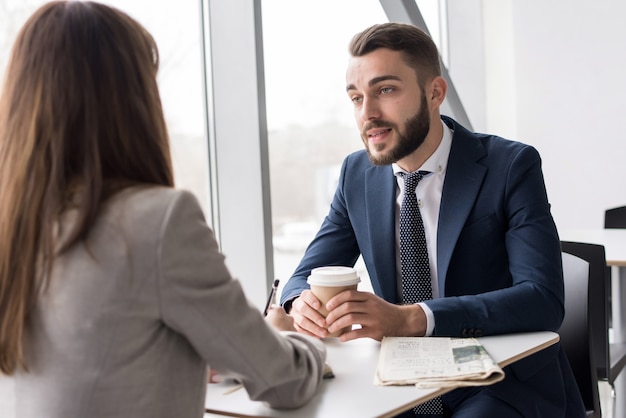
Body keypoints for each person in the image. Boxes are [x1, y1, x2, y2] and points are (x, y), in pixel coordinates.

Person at [0, 2, 325, 417]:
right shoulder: (156, 221)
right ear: (131, 102)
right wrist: (300, 340)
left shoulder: (15, 223)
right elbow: (285, 381)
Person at [280, 22, 585, 417]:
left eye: (385, 90)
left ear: (435, 92)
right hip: (398, 383)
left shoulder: (510, 166)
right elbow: (305, 274)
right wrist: (298, 302)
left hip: (500, 383)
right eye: (356, 98)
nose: (368, 113)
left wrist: (412, 319)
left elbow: (542, 299)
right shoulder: (356, 175)